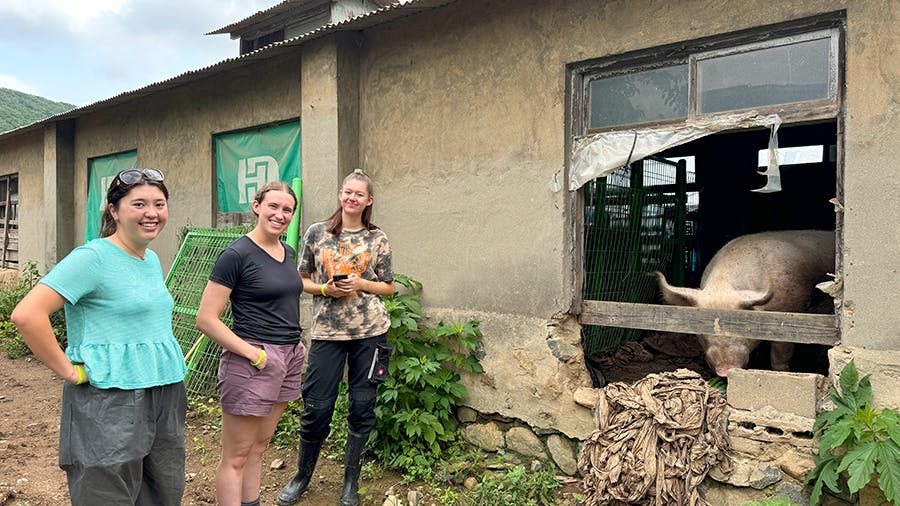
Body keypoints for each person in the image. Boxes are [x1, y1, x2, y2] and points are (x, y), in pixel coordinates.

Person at [10, 168, 187, 505]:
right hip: (111, 399)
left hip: (164, 393)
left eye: (159, 204)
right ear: (114, 210)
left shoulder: (149, 259)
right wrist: (68, 369)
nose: (152, 213)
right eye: (139, 204)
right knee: (105, 493)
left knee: (162, 490)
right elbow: (27, 314)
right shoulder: (92, 258)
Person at [277, 169, 395, 506]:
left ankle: (350, 484)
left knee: (362, 407)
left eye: (359, 194)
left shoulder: (377, 238)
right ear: (340, 194)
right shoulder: (317, 233)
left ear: (368, 200)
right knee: (316, 407)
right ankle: (302, 476)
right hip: (328, 333)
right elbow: (299, 280)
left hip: (370, 332)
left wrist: (360, 284)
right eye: (347, 192)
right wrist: (327, 289)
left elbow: (389, 286)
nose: (352, 198)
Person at [195, 181, 306, 506]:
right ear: (256, 206)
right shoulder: (236, 254)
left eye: (287, 209)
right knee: (237, 456)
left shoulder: (288, 252)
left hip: (289, 355)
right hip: (253, 359)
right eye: (273, 206)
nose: (280, 215)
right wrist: (254, 354)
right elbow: (206, 319)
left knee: (260, 446)